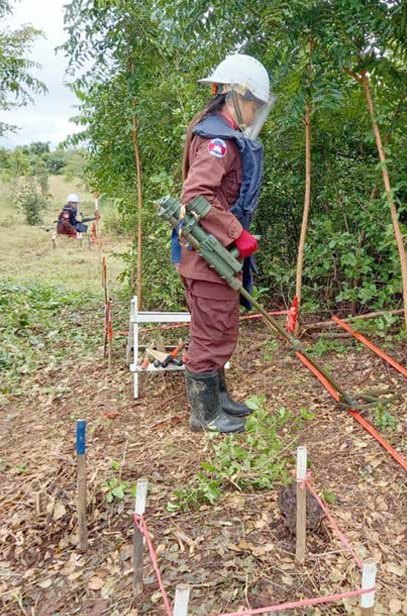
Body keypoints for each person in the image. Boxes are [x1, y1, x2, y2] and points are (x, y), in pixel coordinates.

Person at [172, 53, 275, 434]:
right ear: (234, 95)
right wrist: (237, 234)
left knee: (222, 326)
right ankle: (204, 413)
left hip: (215, 257)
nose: (254, 112)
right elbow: (196, 195)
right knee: (210, 332)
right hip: (207, 256)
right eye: (252, 104)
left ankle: (219, 398)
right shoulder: (216, 139)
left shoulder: (221, 133)